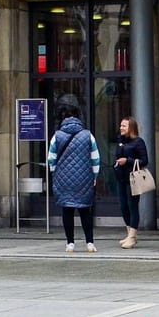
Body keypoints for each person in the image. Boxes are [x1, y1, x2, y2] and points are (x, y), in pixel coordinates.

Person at [46, 103, 101, 253]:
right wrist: (94, 176)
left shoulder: (57, 136)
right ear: (79, 117)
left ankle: (70, 243)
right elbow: (95, 158)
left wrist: (54, 173)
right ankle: (90, 242)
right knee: (85, 210)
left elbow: (51, 159)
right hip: (84, 178)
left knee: (67, 210)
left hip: (63, 178)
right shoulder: (88, 135)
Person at [112, 116, 149, 249]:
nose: (121, 128)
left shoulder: (138, 142)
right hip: (120, 178)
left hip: (133, 179)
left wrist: (127, 161)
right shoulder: (120, 141)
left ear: (131, 128)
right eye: (121, 125)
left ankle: (132, 237)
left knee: (132, 206)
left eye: (124, 126)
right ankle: (129, 234)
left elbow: (144, 161)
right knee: (123, 206)